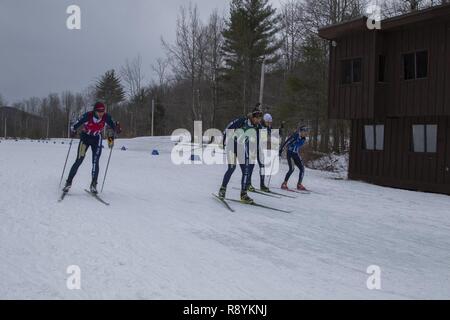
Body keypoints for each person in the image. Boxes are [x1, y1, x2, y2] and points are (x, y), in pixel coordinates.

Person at [62, 102, 121, 194]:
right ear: (95, 111)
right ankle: (68, 183)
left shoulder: (106, 117)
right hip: (85, 138)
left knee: (95, 161)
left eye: (103, 111)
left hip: (97, 139)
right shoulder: (87, 116)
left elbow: (112, 128)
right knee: (79, 160)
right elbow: (75, 125)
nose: (101, 113)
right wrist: (73, 130)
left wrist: (115, 132)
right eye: (99, 111)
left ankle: (93, 185)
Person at [218, 107, 264, 204]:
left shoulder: (257, 125)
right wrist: (223, 142)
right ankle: (222, 189)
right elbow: (227, 128)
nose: (259, 121)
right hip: (231, 145)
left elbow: (264, 132)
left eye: (260, 119)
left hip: (241, 148)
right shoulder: (242, 120)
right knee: (232, 168)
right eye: (257, 118)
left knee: (246, 170)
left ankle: (243, 194)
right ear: (253, 117)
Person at [247, 112, 273, 193]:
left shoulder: (268, 127)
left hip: (260, 149)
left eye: (270, 122)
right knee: (251, 166)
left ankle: (262, 185)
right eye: (268, 122)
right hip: (253, 148)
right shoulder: (258, 125)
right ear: (264, 120)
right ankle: (248, 184)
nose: (269, 123)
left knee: (262, 166)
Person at [279, 125, 308, 191]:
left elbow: (297, 146)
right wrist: (281, 150)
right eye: (304, 132)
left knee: (302, 168)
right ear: (301, 131)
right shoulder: (295, 136)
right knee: (292, 169)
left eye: (306, 132)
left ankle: (299, 184)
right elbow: (287, 142)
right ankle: (284, 183)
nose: (306, 133)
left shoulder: (303, 139)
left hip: (296, 154)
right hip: (290, 154)